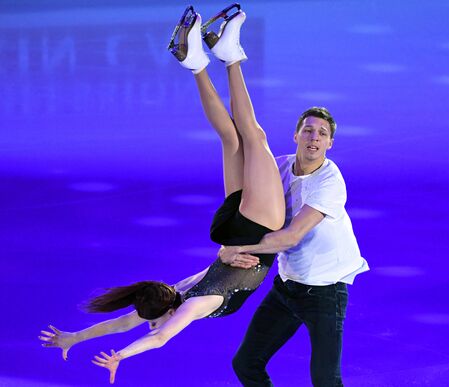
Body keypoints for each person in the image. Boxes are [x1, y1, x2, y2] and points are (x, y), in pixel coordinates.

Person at [38, 6, 285, 384]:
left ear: (166, 309)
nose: (150, 322)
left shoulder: (191, 303)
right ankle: (199, 63)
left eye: (153, 318)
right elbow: (123, 322)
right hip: (233, 225)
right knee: (232, 138)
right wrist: (74, 337)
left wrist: (121, 356)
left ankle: (230, 56)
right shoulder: (174, 291)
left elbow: (159, 337)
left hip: (255, 226)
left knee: (252, 137)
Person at [218, 103, 369, 385]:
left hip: (326, 291)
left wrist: (240, 249)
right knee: (246, 363)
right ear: (296, 135)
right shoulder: (278, 166)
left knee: (325, 380)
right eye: (308, 130)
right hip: (287, 286)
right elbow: (245, 209)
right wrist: (229, 243)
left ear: (329, 143)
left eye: (322, 134)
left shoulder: (329, 181)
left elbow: (291, 236)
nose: (314, 137)